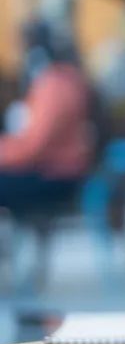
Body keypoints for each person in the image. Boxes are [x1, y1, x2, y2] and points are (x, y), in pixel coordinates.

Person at [0, 20, 95, 212]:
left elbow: (34, 146)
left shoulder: (54, 86)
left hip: (55, 174)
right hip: (59, 171)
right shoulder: (69, 80)